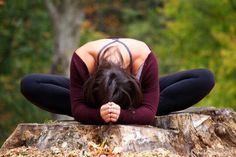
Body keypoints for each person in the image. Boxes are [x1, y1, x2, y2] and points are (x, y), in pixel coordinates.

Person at [20, 38, 215, 125]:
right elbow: (78, 106)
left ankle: (139, 105)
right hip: (92, 100)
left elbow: (148, 114)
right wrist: (99, 113)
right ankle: (134, 109)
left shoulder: (144, 57)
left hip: (136, 98)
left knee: (204, 78)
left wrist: (121, 114)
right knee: (30, 84)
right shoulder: (82, 58)